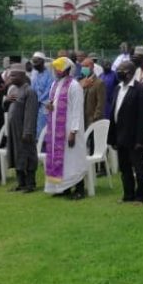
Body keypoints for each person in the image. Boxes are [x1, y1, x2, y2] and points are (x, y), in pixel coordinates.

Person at [108, 60, 143, 204]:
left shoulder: (140, 90)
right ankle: (128, 194)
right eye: (118, 70)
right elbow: (114, 113)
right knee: (124, 167)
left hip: (134, 136)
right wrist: (112, 137)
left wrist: (140, 139)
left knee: (138, 168)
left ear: (131, 72)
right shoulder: (117, 88)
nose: (119, 73)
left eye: (122, 70)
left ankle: (141, 196)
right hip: (119, 134)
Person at [44, 57, 87, 199]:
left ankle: (79, 189)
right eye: (55, 68)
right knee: (61, 160)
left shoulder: (74, 85)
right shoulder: (54, 85)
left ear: (67, 69)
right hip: (56, 131)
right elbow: (52, 105)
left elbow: (77, 110)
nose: (56, 71)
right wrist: (49, 107)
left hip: (70, 129)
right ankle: (63, 188)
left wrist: (73, 131)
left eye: (59, 68)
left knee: (73, 159)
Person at [6, 65, 39, 192]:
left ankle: (30, 184)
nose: (11, 78)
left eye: (13, 75)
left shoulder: (29, 91)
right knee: (17, 155)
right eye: (10, 75)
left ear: (22, 76)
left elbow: (30, 113)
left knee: (28, 155)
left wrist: (28, 131)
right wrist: (7, 100)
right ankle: (21, 183)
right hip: (14, 131)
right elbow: (6, 107)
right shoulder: (14, 90)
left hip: (24, 131)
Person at [30, 52, 54, 144]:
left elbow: (48, 90)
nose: (35, 65)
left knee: (44, 128)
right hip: (34, 105)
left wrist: (39, 100)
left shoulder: (49, 75)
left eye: (37, 62)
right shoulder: (34, 74)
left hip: (44, 105)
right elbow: (32, 88)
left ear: (42, 62)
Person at [80, 58, 106, 131]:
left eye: (86, 66)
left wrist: (95, 119)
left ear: (92, 67)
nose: (84, 68)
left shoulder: (99, 83)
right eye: (82, 66)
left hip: (93, 120)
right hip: (82, 119)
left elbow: (100, 104)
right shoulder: (81, 82)